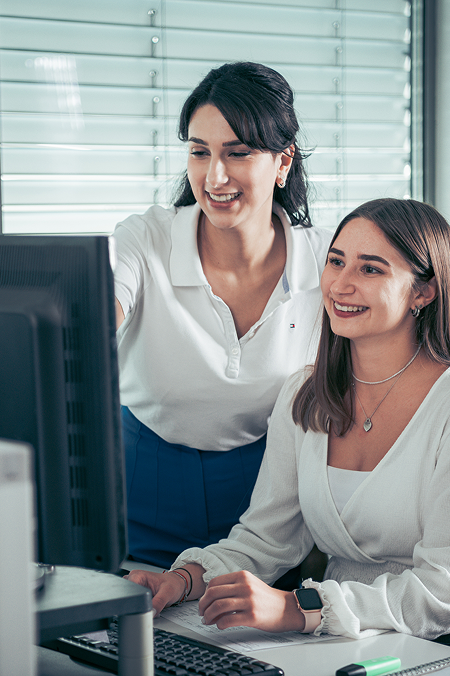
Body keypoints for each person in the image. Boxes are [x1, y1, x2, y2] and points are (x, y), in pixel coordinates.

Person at [127, 198, 450, 664]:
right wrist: (182, 581)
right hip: (339, 635)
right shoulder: (305, 394)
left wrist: (298, 607)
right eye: (336, 261)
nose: (340, 284)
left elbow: (446, 587)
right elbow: (266, 538)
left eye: (370, 269)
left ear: (423, 292)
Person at [112, 62, 333, 571]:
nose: (214, 176)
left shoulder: (328, 259)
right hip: (144, 479)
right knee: (138, 614)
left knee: (245, 619)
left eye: (237, 152)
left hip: (269, 498)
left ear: (282, 161)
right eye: (199, 152)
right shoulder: (145, 239)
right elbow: (97, 308)